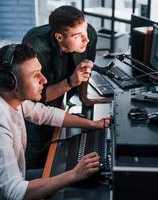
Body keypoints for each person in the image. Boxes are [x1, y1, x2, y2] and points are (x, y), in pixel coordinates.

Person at [0, 43, 110, 199]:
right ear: (10, 83)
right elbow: (16, 192)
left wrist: (93, 124)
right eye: (35, 75)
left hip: (10, 183)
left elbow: (44, 113)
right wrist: (75, 174)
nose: (44, 80)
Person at [22, 5, 110, 169]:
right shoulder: (34, 48)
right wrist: (70, 82)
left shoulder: (88, 33)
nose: (87, 39)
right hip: (34, 113)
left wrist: (84, 97)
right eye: (78, 36)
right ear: (59, 37)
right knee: (39, 163)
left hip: (56, 106)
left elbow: (86, 68)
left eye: (85, 31)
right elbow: (34, 100)